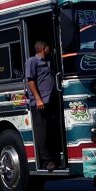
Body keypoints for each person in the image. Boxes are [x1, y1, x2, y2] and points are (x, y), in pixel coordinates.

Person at [25, 40, 61, 172]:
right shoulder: (32, 61)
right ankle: (47, 161)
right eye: (48, 47)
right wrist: (38, 99)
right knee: (43, 133)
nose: (50, 49)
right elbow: (30, 81)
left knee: (52, 130)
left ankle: (56, 158)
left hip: (51, 100)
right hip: (40, 102)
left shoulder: (48, 61)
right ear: (43, 48)